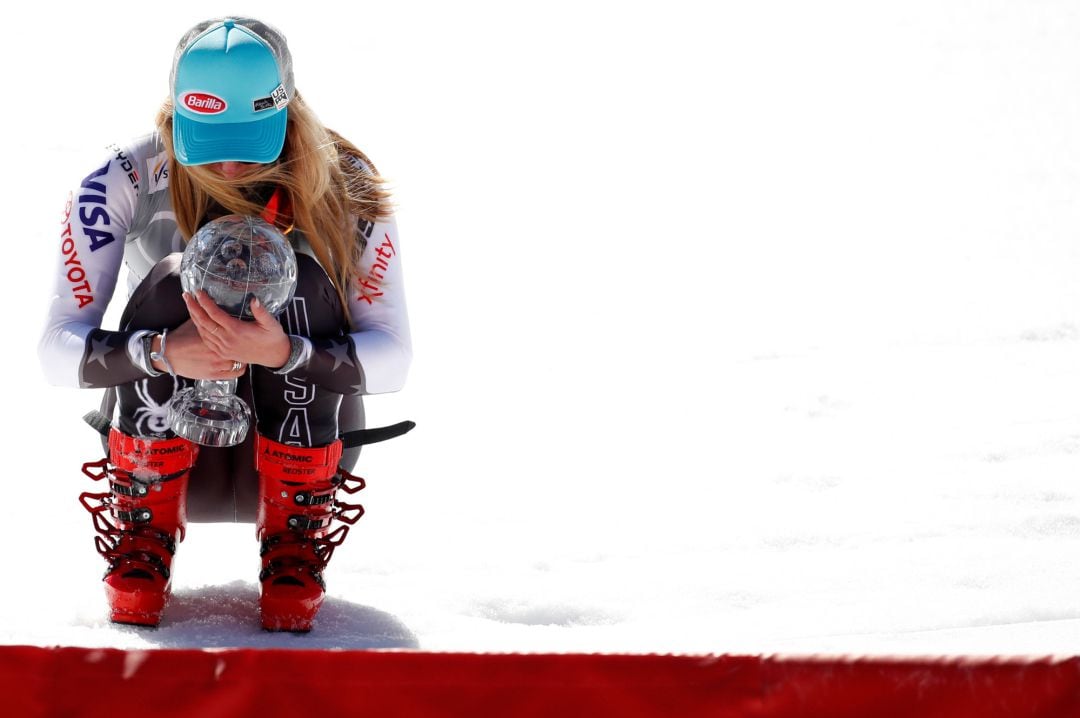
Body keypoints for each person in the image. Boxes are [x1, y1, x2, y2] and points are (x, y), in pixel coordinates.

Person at [38, 17, 412, 631]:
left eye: (252, 139)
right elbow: (53, 351)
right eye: (210, 139)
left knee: (298, 281)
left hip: (303, 443)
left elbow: (395, 359)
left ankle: (294, 545)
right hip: (164, 440)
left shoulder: (347, 182)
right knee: (173, 275)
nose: (232, 164)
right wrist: (161, 351)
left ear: (288, 114)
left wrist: (285, 351)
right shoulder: (123, 178)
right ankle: (142, 540)